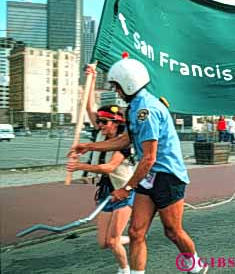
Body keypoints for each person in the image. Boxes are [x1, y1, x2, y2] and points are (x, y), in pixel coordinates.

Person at [69, 57, 205, 274]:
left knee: (172, 231)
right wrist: (90, 146)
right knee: (135, 232)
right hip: (148, 176)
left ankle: (195, 264)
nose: (116, 91)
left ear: (128, 83)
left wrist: (126, 188)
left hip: (167, 177)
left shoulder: (146, 111)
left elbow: (149, 157)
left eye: (116, 86)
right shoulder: (134, 107)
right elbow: (126, 140)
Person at [67, 101, 135, 274]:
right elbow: (90, 108)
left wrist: (80, 167)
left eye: (104, 122)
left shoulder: (124, 142)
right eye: (98, 122)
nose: (99, 125)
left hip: (124, 192)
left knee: (112, 241)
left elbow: (110, 167)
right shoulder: (100, 134)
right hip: (106, 191)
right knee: (104, 243)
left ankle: (124, 270)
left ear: (115, 122)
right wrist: (93, 75)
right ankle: (133, 238)